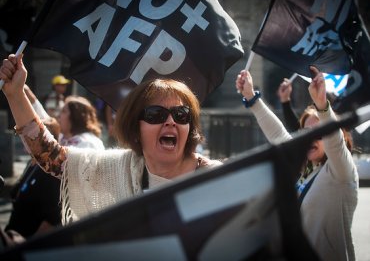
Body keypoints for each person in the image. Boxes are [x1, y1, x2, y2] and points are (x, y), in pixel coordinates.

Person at [0, 54, 222, 225]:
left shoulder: (217, 178)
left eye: (181, 115)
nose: (171, 121)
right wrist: (15, 93)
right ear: (135, 129)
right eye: (156, 115)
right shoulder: (119, 169)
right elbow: (51, 156)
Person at [236, 67, 358, 261]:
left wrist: (321, 105)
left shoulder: (341, 172)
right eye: (306, 133)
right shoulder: (307, 168)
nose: (311, 139)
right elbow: (278, 135)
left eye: (319, 133)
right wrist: (251, 97)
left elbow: (334, 142)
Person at [4, 85, 105, 239]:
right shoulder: (65, 138)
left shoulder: (89, 143)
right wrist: (24, 92)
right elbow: (43, 122)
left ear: (76, 116)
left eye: (64, 111)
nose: (58, 114)